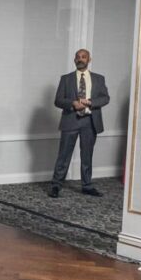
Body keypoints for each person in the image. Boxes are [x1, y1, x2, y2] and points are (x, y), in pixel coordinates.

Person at [49, 48, 110, 198]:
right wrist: (72, 104)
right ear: (74, 59)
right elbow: (58, 100)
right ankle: (56, 185)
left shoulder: (99, 79)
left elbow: (105, 98)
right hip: (71, 120)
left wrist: (90, 102)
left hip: (90, 121)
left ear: (89, 60)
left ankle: (87, 186)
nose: (80, 59)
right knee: (64, 155)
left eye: (83, 57)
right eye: (78, 57)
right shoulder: (66, 79)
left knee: (87, 155)